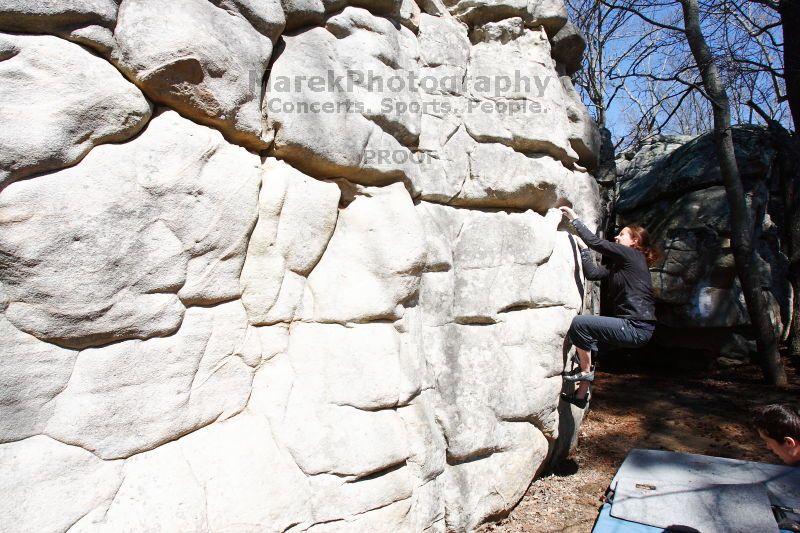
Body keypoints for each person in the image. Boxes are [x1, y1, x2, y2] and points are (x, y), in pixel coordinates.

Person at [559, 206, 659, 408]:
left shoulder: (633, 256)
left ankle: (584, 373)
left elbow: (596, 242)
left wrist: (575, 219)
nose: (616, 237)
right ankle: (580, 396)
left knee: (580, 324)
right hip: (636, 328)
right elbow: (593, 274)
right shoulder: (620, 268)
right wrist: (584, 251)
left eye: (622, 235)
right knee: (590, 344)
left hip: (636, 326)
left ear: (634, 242)